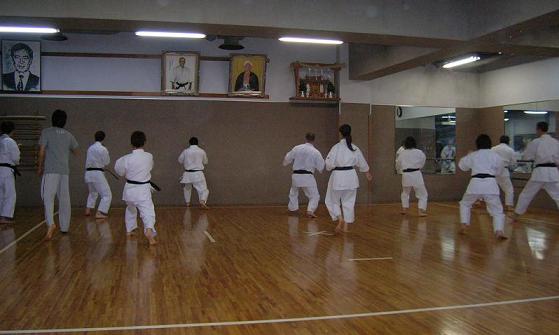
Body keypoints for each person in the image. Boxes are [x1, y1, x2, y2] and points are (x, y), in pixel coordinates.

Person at [38, 110, 79, 240]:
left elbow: (42, 152)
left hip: (50, 170)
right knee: (64, 199)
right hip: (64, 171)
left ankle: (50, 224)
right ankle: (64, 227)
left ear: (52, 119)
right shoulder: (68, 135)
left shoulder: (46, 132)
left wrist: (40, 167)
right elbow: (76, 151)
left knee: (47, 197)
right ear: (65, 121)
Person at [325, 124, 372, 233]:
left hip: (338, 176)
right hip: (351, 176)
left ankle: (340, 219)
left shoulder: (336, 147)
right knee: (349, 201)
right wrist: (367, 172)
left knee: (332, 200)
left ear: (340, 133)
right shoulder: (355, 148)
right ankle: (346, 226)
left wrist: (329, 167)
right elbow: (362, 162)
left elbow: (329, 164)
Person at [458, 134, 507, 240]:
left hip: (475, 184)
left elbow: (462, 166)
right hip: (490, 184)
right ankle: (499, 230)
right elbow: (499, 171)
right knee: (497, 210)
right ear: (490, 144)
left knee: (465, 204)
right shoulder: (495, 156)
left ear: (477, 144)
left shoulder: (473, 155)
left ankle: (464, 224)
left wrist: (468, 155)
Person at [114, 131, 157, 245]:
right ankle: (148, 231)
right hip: (142, 190)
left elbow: (119, 171)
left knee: (130, 208)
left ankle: (129, 230)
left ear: (131, 143)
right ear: (144, 142)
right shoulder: (149, 156)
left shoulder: (125, 159)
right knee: (147, 211)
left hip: (129, 190)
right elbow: (150, 167)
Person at [513, 122, 559, 220]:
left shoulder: (536, 142)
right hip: (553, 172)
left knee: (527, 194)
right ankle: (516, 214)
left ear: (538, 129)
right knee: (558, 196)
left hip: (540, 173)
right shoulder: (555, 142)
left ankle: (516, 214)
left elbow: (527, 156)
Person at [283, 133, 325, 218]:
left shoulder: (297, 148)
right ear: (314, 140)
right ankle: (310, 210)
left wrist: (285, 163)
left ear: (305, 138)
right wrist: (320, 169)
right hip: (307, 176)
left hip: (296, 175)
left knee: (293, 192)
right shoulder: (315, 152)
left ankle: (293, 209)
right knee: (314, 196)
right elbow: (321, 166)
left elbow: (287, 158)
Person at [396, 136, 428, 216]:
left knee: (405, 192)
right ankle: (421, 211)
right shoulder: (419, 152)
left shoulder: (402, 153)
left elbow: (398, 164)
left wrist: (399, 171)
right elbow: (423, 161)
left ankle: (404, 208)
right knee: (422, 194)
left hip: (406, 174)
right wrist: (419, 167)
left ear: (405, 144)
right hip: (416, 173)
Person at [84, 131, 112, 219]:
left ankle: (88, 210)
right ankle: (100, 212)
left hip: (88, 173)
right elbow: (107, 161)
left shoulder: (90, 148)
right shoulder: (103, 149)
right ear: (103, 138)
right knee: (107, 194)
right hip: (97, 173)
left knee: (93, 192)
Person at [178, 137, 209, 209]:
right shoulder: (202, 151)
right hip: (198, 173)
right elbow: (205, 162)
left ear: (190, 143)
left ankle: (187, 203)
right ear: (197, 143)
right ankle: (202, 200)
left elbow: (180, 160)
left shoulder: (185, 151)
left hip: (188, 174)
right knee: (203, 189)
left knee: (187, 188)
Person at [0, 121, 20, 224]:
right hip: (7, 170)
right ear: (13, 130)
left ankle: (1, 216)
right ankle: (5, 217)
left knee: (1, 193)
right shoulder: (10, 141)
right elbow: (16, 158)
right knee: (10, 193)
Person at [491, 135, 517, 211]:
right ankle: (509, 205)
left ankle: (490, 204)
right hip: (504, 170)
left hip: (494, 170)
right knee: (509, 189)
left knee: (492, 188)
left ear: (500, 140)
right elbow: (513, 163)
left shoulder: (493, 149)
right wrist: (511, 166)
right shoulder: (510, 150)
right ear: (508, 141)